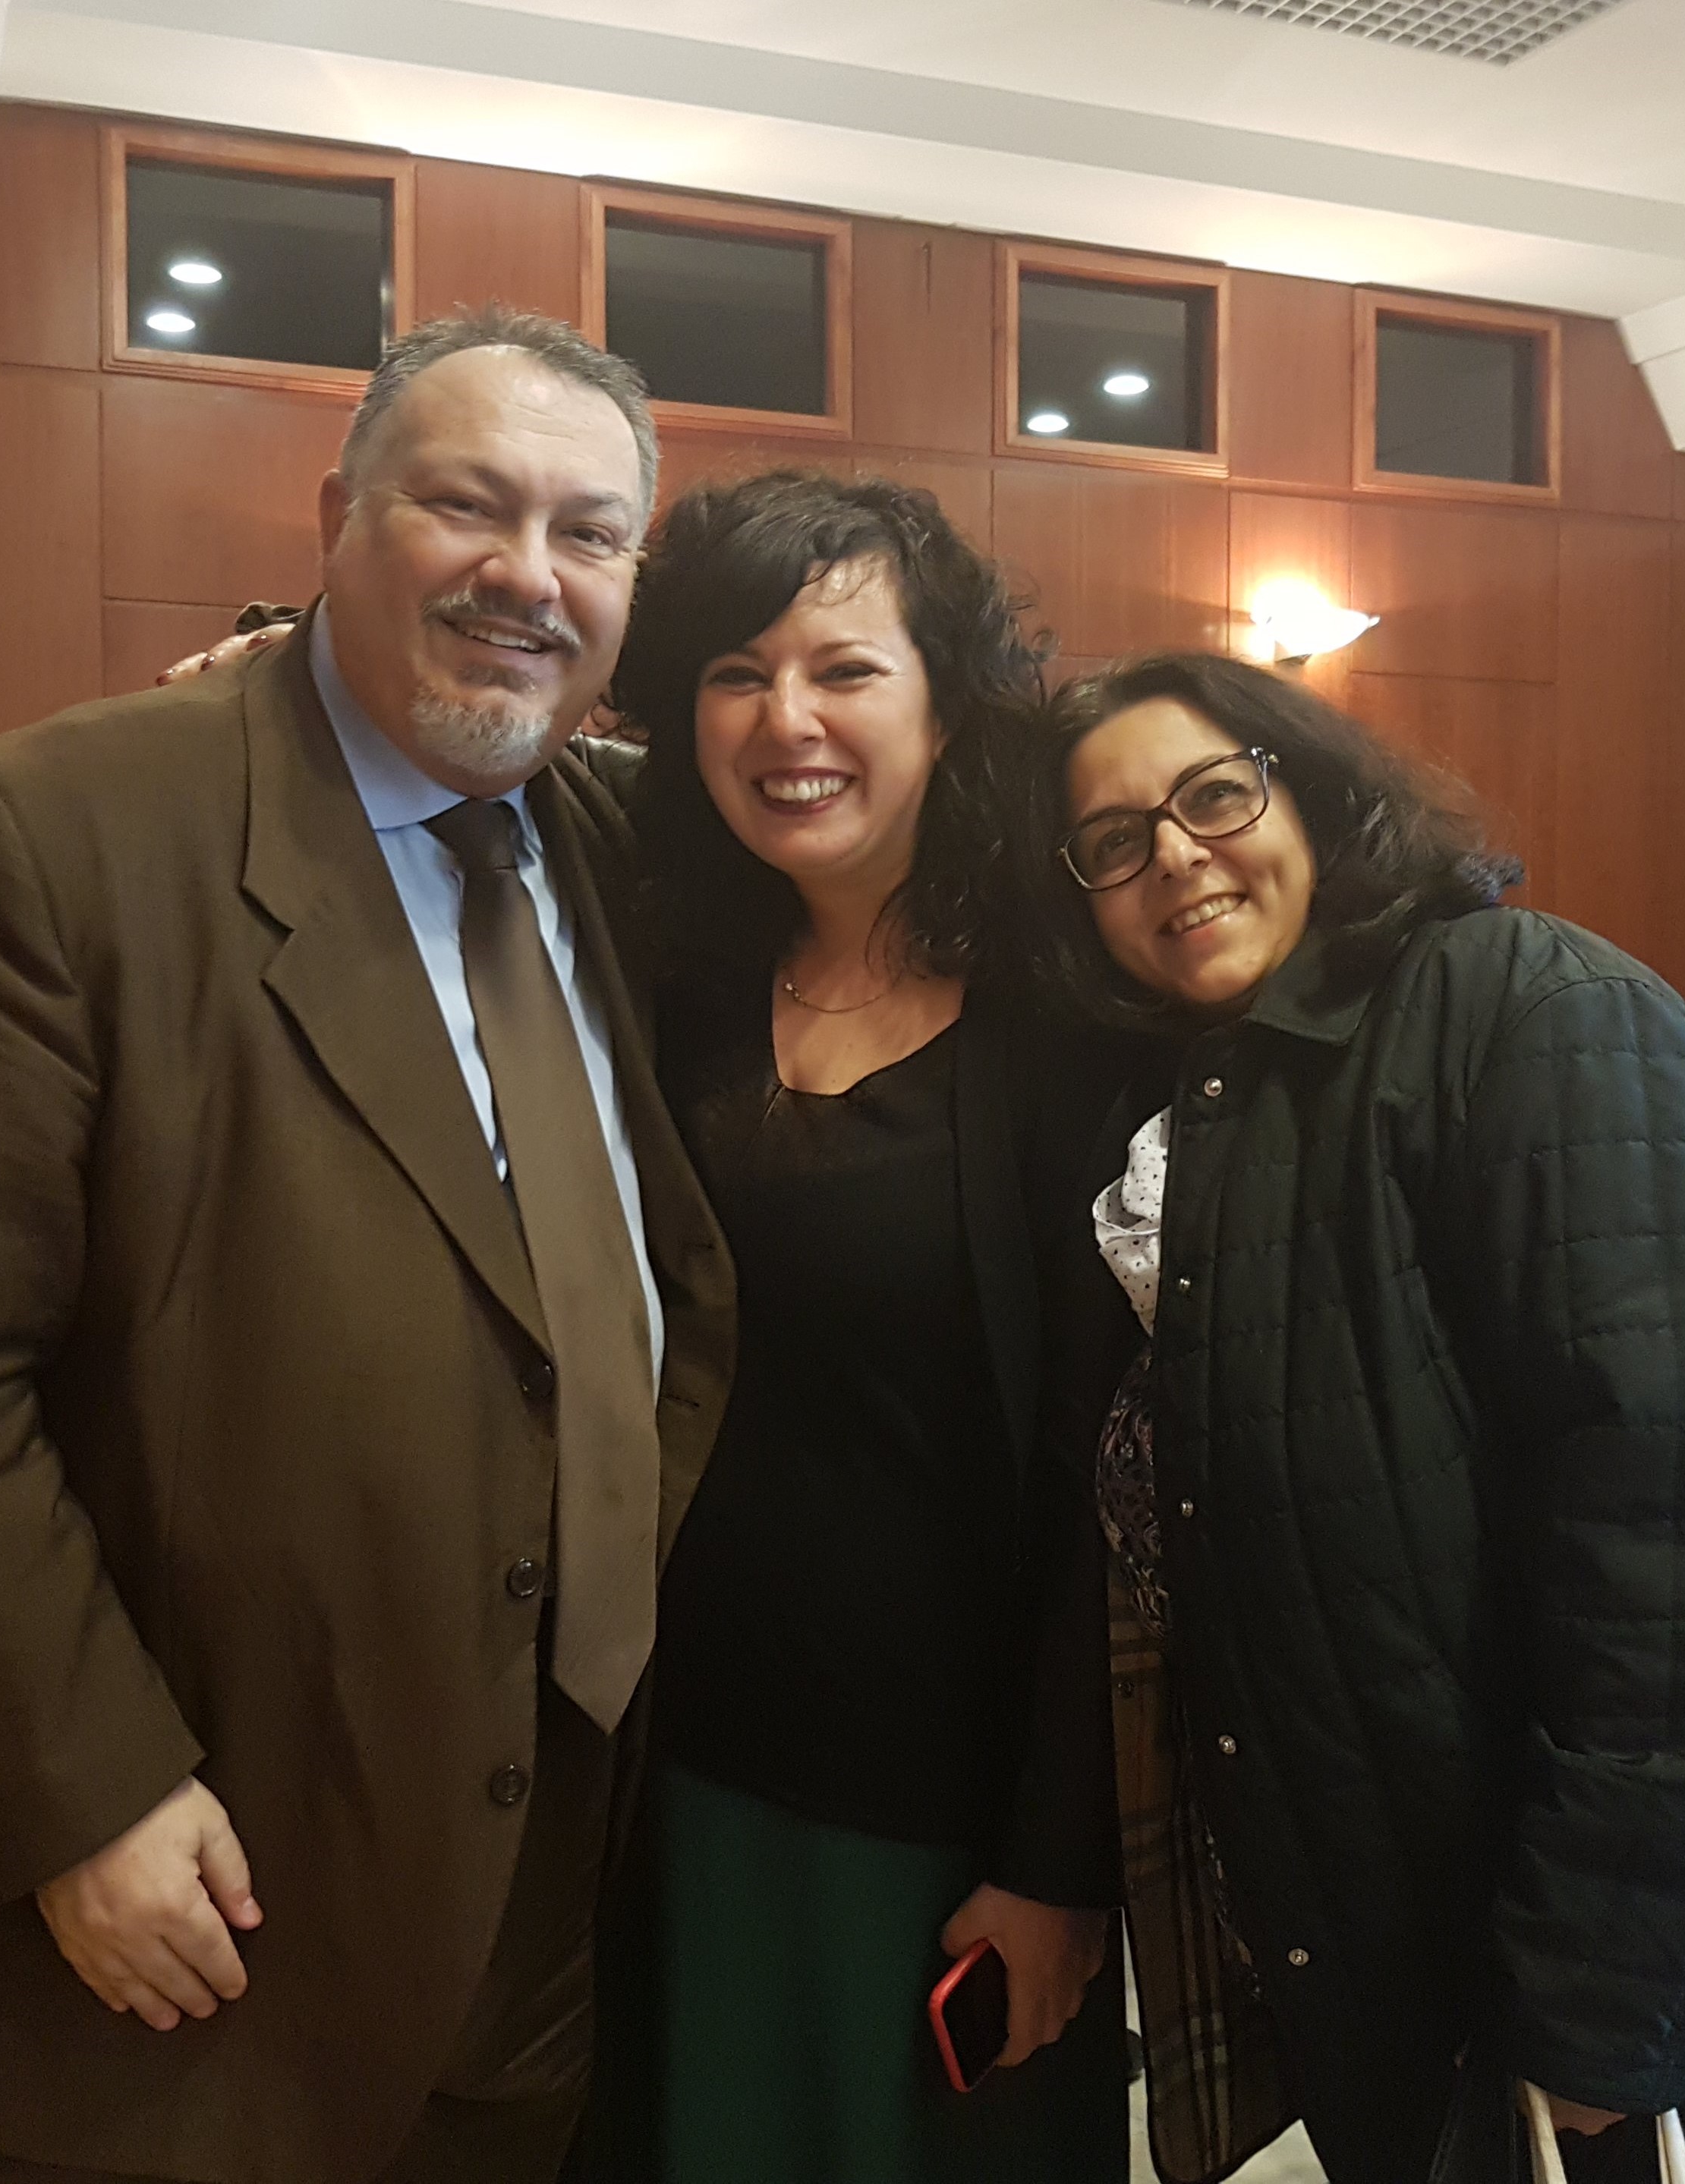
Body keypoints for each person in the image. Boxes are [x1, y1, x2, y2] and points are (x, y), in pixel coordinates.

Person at [0, 308, 737, 2184]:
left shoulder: (618, 848)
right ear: (339, 517)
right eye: (466, 504)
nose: (528, 572)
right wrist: (78, 1797)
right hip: (138, 1938)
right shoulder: (49, 834)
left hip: (524, 1905)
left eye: (589, 532)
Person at [1028, 653, 1685, 2184]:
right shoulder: (1217, 1105)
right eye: (1115, 841)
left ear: (1311, 793)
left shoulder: (1525, 1009)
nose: (1174, 853)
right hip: (1458, 1995)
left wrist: (1604, 2007)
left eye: (1214, 795)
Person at [594, 470, 1132, 2182]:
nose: (786, 722)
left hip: (948, 1813)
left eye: (844, 669)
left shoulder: (1070, 1025)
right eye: (734, 674)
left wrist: (1056, 1858)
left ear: (945, 703)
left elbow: (1110, 1480)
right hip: (678, 1769)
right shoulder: (670, 983)